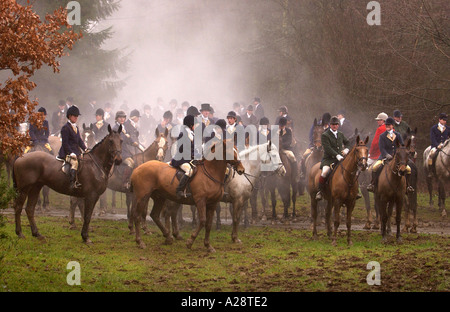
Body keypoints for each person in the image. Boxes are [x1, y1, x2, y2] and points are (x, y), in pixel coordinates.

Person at [367, 117, 414, 193]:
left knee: (408, 169)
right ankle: (372, 184)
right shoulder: (382, 136)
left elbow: (402, 146)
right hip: (384, 157)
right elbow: (381, 148)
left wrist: (401, 153)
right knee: (375, 167)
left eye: (389, 125)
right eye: (386, 125)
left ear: (392, 126)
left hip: (397, 157)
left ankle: (408, 186)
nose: (387, 126)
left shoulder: (398, 135)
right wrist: (386, 154)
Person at [315, 116, 351, 201]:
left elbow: (348, 142)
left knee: (350, 169)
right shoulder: (325, 135)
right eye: (333, 124)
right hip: (329, 159)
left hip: (341, 158)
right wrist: (336, 155)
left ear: (338, 125)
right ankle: (320, 191)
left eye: (336, 124)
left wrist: (346, 149)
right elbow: (327, 148)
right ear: (330, 125)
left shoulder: (341, 134)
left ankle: (353, 191)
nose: (334, 126)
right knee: (324, 172)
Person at [57, 106, 87, 190]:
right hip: (66, 152)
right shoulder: (65, 128)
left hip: (76, 151)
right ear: (69, 116)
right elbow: (65, 144)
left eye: (77, 116)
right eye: (74, 116)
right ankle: (72, 183)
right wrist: (71, 153)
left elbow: (79, 141)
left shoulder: (76, 127)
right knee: (75, 163)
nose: (76, 118)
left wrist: (85, 149)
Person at [170, 115, 200, 198]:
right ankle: (179, 190)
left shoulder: (191, 134)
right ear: (190, 125)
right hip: (181, 159)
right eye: (194, 124)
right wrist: (192, 155)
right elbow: (181, 148)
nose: (196, 126)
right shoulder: (182, 134)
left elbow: (193, 148)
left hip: (189, 158)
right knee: (189, 171)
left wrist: (198, 154)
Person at [113, 110, 139, 189]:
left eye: (123, 117)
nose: (122, 119)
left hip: (125, 150)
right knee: (130, 163)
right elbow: (120, 139)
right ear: (117, 118)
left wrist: (133, 142)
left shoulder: (123, 127)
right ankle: (124, 182)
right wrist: (128, 137)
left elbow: (128, 138)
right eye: (120, 117)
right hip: (119, 152)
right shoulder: (115, 128)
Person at [426, 113, 449, 177]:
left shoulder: (448, 128)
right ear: (439, 119)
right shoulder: (434, 128)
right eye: (443, 120)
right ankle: (430, 170)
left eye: (445, 120)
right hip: (436, 146)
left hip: (445, 146)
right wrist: (437, 145)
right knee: (431, 155)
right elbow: (432, 138)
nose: (445, 121)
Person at [278, 117, 299, 182]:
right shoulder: (276, 131)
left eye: (282, 125)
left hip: (285, 149)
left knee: (292, 156)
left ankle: (295, 174)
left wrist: (282, 146)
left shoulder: (288, 131)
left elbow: (289, 141)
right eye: (280, 125)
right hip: (276, 149)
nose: (280, 127)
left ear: (284, 125)